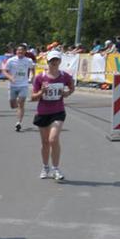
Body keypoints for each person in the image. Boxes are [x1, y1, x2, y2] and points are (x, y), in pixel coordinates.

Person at [31, 49, 74, 181]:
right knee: (45, 142)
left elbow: (71, 87)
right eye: (51, 61)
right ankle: (45, 167)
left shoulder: (64, 76)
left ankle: (56, 169)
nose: (54, 63)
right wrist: (41, 92)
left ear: (60, 61)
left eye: (56, 60)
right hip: (43, 112)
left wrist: (67, 93)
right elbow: (33, 97)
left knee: (53, 139)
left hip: (58, 112)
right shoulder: (40, 77)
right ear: (47, 61)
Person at [1, 44, 35, 132]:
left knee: (21, 103)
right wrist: (10, 77)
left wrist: (32, 76)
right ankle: (17, 107)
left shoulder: (28, 60)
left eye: (22, 50)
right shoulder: (11, 60)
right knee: (13, 105)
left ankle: (18, 123)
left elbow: (32, 68)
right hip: (13, 85)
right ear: (16, 52)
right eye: (18, 50)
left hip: (23, 85)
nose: (20, 52)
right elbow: (4, 71)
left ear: (25, 51)